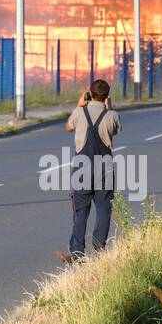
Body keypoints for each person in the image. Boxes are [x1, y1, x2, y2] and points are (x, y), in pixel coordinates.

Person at [63, 78, 122, 261]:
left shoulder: (80, 112)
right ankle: (99, 250)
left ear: (89, 93)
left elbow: (67, 128)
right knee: (103, 208)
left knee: (81, 210)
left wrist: (79, 105)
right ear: (106, 96)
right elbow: (117, 130)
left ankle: (77, 252)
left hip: (82, 166)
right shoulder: (112, 115)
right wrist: (109, 107)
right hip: (105, 167)